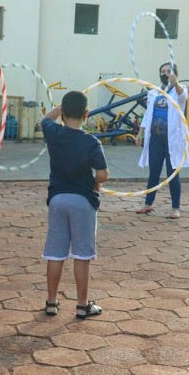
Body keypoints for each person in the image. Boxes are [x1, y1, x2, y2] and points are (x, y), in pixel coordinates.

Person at [42, 91, 109, 319]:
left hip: (57, 199)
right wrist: (95, 183)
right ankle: (82, 305)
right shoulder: (91, 142)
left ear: (63, 113)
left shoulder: (54, 133)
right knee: (81, 255)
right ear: (86, 114)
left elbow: (45, 119)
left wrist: (59, 109)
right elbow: (103, 174)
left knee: (55, 253)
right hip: (83, 201)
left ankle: (51, 302)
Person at [136, 61, 189, 219]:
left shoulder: (180, 89)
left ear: (175, 74)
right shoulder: (154, 92)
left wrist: (175, 83)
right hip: (156, 139)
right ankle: (148, 204)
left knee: (172, 174)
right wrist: (140, 132)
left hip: (172, 139)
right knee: (153, 172)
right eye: (163, 71)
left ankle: (175, 208)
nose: (165, 74)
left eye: (168, 71)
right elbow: (148, 114)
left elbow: (182, 96)